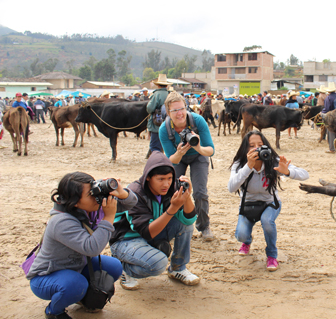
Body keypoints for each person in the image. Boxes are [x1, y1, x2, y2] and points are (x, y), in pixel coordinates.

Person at [27, 172, 136, 319]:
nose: (96, 197)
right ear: (74, 202)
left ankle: (80, 298)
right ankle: (54, 311)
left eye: (94, 190)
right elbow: (92, 248)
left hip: (77, 266)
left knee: (114, 266)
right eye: (90, 195)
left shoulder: (90, 209)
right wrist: (109, 217)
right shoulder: (61, 221)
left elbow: (131, 203)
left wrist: (121, 193)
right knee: (76, 285)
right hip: (47, 276)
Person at [110, 151, 200, 289]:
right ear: (148, 177)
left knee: (184, 226)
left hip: (151, 234)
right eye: (161, 179)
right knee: (157, 264)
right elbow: (147, 232)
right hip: (126, 240)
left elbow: (188, 221)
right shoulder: (135, 193)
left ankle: (178, 268)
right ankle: (123, 267)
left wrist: (187, 196)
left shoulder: (171, 188)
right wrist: (173, 208)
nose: (166, 184)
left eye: (170, 178)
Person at [228, 130, 309, 271]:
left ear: (266, 146)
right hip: (248, 205)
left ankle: (272, 255)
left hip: (270, 203)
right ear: (245, 148)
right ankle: (247, 241)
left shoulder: (273, 161)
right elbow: (231, 187)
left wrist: (287, 172)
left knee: (267, 222)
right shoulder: (240, 164)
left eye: (260, 144)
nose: (256, 149)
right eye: (251, 145)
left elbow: (305, 175)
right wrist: (248, 166)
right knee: (241, 235)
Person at [159, 91, 215, 241]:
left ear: (187, 107)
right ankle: (175, 224)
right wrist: (179, 153)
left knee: (200, 192)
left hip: (199, 156)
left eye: (182, 108)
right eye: (175, 110)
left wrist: (198, 148)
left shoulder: (198, 121)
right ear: (168, 112)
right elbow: (172, 159)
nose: (179, 113)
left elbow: (210, 150)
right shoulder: (164, 129)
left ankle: (204, 226)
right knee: (174, 191)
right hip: (179, 158)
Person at [146, 74, 173, 159]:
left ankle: (156, 160)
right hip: (169, 123)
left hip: (157, 123)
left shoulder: (156, 94)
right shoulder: (170, 94)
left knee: (155, 145)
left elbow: (149, 109)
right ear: (166, 85)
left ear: (157, 85)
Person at [321, 82, 336, 153]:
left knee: (330, 132)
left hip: (331, 117)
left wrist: (321, 113)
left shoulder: (328, 98)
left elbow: (327, 109)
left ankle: (331, 148)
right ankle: (335, 146)